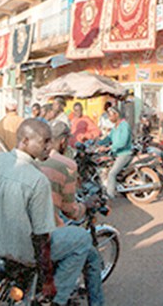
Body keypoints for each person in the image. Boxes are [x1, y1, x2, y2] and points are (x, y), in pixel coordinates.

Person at [0, 119, 103, 306]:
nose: (49, 146)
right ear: (24, 141)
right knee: (82, 239)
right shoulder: (37, 180)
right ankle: (56, 301)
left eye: (50, 141)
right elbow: (42, 238)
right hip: (20, 251)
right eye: (44, 141)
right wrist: (48, 281)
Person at [37, 121, 104, 304]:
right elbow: (71, 211)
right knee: (86, 248)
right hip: (45, 234)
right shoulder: (65, 164)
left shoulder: (31, 160)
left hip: (22, 232)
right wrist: (86, 205)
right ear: (64, 141)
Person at [97, 106, 132, 199]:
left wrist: (108, 148)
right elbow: (108, 138)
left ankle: (109, 196)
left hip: (124, 153)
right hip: (116, 153)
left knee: (112, 174)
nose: (109, 118)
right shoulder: (115, 126)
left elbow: (122, 142)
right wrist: (96, 142)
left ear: (116, 115)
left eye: (110, 116)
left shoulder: (124, 125)